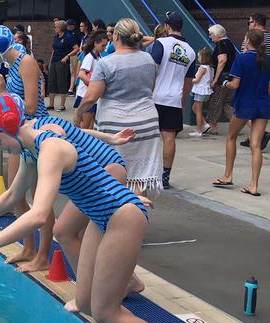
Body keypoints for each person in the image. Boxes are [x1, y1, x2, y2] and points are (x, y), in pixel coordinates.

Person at [0, 95, 199, 323]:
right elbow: (12, 196)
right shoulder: (32, 150)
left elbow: (40, 214)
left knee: (104, 313)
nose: (0, 149)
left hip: (123, 217)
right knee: (87, 302)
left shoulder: (49, 148)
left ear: (11, 131)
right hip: (102, 217)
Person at [0, 25, 52, 271]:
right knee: (16, 196)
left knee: (40, 200)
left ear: (0, 46)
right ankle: (29, 246)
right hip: (20, 137)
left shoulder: (27, 63)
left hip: (37, 137)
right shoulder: (12, 67)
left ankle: (43, 255)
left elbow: (31, 106)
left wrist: (3, 93)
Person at [78, 18, 163, 196]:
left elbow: (92, 96)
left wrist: (78, 113)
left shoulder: (106, 63)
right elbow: (151, 88)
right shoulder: (148, 59)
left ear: (115, 36)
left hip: (115, 126)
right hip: (147, 123)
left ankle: (118, 219)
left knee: (114, 174)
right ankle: (138, 218)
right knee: (139, 178)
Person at [213, 30, 270, 196]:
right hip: (263, 104)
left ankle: (228, 175)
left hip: (245, 104)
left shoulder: (242, 59)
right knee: (256, 145)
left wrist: (224, 83)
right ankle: (254, 185)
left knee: (231, 136)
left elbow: (235, 84)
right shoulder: (267, 60)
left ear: (248, 41)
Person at [148, 12, 196, 189]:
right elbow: (188, 81)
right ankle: (165, 176)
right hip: (174, 99)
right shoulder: (191, 51)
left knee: (148, 136)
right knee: (169, 138)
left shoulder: (161, 43)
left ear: (167, 26)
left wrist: (147, 94)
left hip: (155, 97)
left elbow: (153, 71)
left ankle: (147, 170)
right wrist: (183, 103)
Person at [239, 13, 270, 150]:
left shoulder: (249, 39)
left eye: (249, 22)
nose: (249, 25)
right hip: (266, 79)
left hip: (252, 81)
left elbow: (244, 55)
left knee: (245, 110)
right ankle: (254, 137)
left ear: (256, 23)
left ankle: (259, 135)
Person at [205, 24, 236, 136]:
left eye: (211, 34)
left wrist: (215, 78)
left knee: (216, 102)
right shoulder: (229, 43)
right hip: (231, 77)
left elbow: (222, 60)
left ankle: (213, 128)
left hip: (222, 78)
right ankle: (240, 123)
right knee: (227, 103)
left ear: (217, 34)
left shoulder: (220, 45)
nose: (210, 37)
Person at [74, 30, 108, 129]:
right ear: (95, 43)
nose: (105, 48)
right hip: (86, 95)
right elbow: (81, 74)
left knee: (90, 126)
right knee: (84, 127)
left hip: (92, 96)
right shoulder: (90, 57)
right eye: (103, 45)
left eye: (105, 45)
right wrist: (92, 85)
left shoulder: (99, 57)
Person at [48, 20, 79, 112]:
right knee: (51, 81)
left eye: (56, 26)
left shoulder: (68, 37)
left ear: (61, 27)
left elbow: (76, 48)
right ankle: (51, 104)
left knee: (61, 81)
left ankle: (62, 105)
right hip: (54, 60)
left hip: (62, 61)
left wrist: (67, 56)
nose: (54, 28)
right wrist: (50, 61)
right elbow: (53, 50)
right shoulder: (56, 37)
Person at [189, 48, 214, 137]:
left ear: (204, 58)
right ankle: (205, 124)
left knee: (198, 111)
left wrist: (188, 80)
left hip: (200, 90)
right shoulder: (210, 68)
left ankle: (199, 131)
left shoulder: (202, 68)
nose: (198, 58)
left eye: (199, 56)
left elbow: (196, 80)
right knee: (194, 108)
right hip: (206, 90)